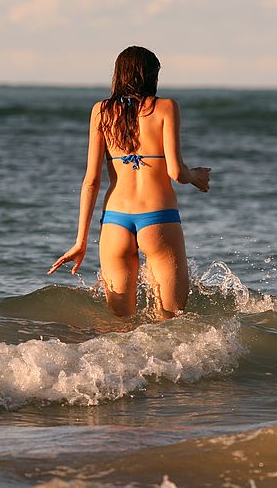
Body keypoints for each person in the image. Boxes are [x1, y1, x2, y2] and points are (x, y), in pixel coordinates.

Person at [47, 46, 211, 319]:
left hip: (114, 221)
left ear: (118, 75)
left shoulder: (101, 111)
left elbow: (91, 181)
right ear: (151, 76)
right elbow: (176, 172)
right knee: (170, 322)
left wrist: (80, 241)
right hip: (158, 218)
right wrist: (197, 178)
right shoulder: (166, 107)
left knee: (119, 325)